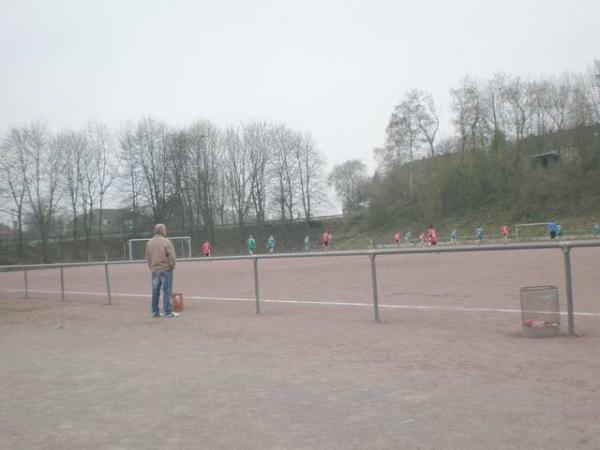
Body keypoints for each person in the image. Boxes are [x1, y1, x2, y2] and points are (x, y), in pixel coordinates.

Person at [145, 223, 178, 318]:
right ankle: (168, 312)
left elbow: (148, 257)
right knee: (167, 290)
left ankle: (155, 312)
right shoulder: (166, 242)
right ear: (162, 231)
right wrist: (172, 266)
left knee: (155, 291)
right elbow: (171, 256)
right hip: (165, 269)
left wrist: (151, 267)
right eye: (165, 229)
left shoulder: (149, 243)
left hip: (155, 270)